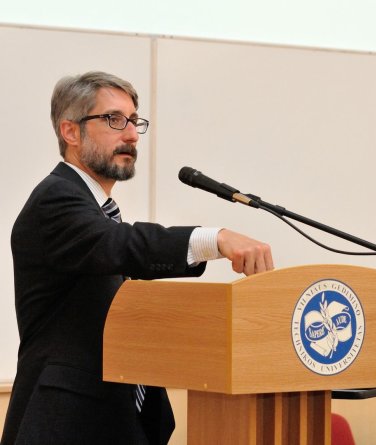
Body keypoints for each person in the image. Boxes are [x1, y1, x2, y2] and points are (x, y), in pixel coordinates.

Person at [1, 71, 274, 445]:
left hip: (111, 422)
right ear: (70, 132)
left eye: (134, 121)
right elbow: (124, 245)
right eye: (113, 120)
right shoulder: (56, 200)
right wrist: (216, 239)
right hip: (66, 424)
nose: (130, 134)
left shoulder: (95, 210)